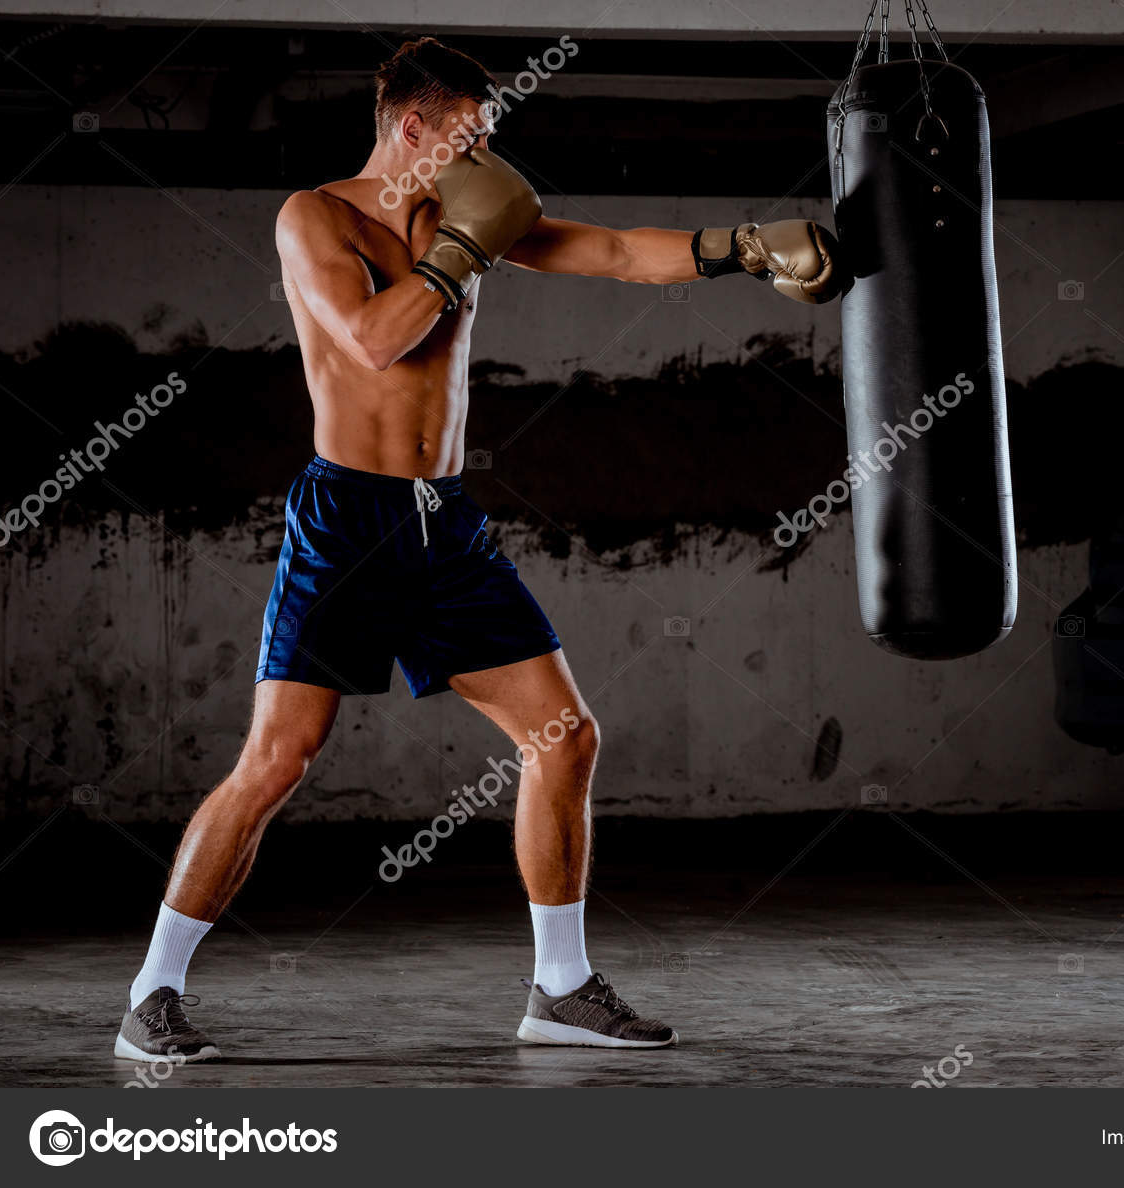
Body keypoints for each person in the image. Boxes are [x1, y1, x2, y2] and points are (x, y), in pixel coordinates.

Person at [115, 35, 842, 1062]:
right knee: (280, 760)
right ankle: (153, 994)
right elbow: (375, 337)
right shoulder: (314, 216)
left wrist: (752, 244)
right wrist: (462, 250)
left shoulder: (466, 215)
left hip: (442, 523)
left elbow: (623, 254)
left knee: (566, 738)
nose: (483, 150)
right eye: (469, 132)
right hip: (346, 523)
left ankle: (560, 986)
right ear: (412, 127)